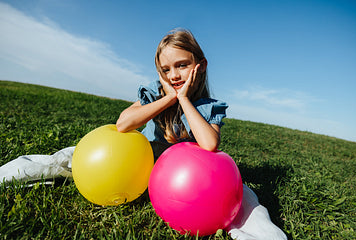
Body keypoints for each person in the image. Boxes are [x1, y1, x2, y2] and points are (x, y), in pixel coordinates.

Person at [0, 28, 287, 240]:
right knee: (67, 157)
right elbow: (124, 123)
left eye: (182, 65)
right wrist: (169, 98)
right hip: (139, 163)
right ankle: (8, 175)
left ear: (200, 66)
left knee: (243, 198)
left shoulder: (208, 107)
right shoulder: (154, 93)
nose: (174, 74)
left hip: (184, 180)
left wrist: (185, 100)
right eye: (166, 69)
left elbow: (210, 143)